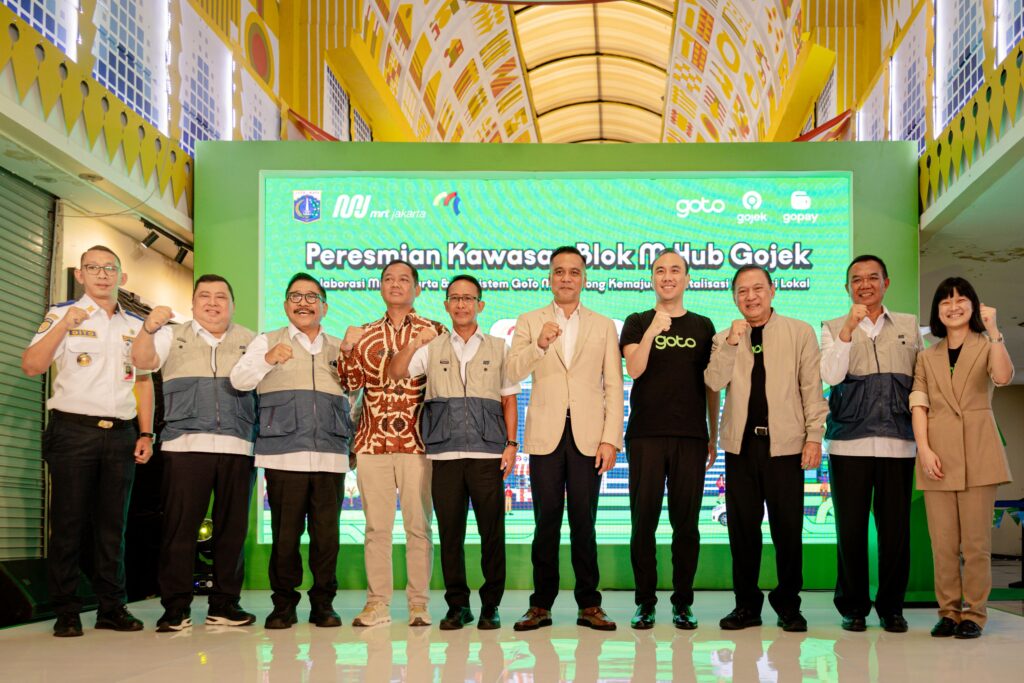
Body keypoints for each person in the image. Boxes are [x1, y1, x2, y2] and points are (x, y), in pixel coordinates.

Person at [21, 245, 154, 637]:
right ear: (80, 275)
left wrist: (146, 432)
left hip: (121, 433)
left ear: (122, 277)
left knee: (113, 527)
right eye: (93, 268)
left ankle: (112, 607)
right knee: (68, 524)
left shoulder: (135, 323)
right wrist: (64, 326)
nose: (102, 274)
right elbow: (32, 365)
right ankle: (66, 610)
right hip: (73, 431)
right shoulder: (62, 314)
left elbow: (144, 382)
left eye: (109, 268)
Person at [388, 274, 519, 630]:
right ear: (446, 305)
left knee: (492, 534)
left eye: (468, 298)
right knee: (450, 534)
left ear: (480, 305)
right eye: (455, 298)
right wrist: (414, 343)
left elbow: (509, 399)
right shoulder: (432, 348)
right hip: (444, 455)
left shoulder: (499, 347)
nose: (462, 304)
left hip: (487, 454)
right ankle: (458, 606)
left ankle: (490, 605)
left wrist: (511, 444)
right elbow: (396, 372)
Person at [506, 246, 623, 632]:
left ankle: (590, 605)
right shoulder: (529, 321)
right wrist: (539, 344)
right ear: (550, 278)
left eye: (574, 272)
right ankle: (540, 605)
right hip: (546, 435)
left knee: (584, 523)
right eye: (560, 271)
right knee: (546, 523)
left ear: (584, 278)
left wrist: (611, 439)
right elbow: (512, 371)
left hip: (590, 437)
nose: (567, 278)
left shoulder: (603, 325)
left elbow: (613, 383)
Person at [704, 265, 828, 633]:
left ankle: (789, 605)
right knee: (742, 531)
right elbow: (713, 381)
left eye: (758, 288)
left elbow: (811, 388)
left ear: (773, 291)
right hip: (740, 447)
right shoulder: (724, 337)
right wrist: (730, 343)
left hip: (786, 447)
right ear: (734, 298)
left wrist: (814, 436)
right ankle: (746, 605)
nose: (751, 297)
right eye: (742, 291)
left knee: (787, 530)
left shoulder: (799, 332)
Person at [131, 274, 258, 632]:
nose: (212, 303)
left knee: (232, 531)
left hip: (238, 447)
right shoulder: (171, 335)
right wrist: (148, 328)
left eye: (221, 297)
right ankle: (175, 608)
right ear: (193, 303)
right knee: (179, 530)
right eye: (205, 296)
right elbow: (141, 361)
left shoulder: (252, 340)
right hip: (184, 446)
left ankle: (225, 605)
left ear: (232, 304)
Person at [230, 273, 352, 629]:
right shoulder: (266, 342)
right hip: (283, 455)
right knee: (285, 536)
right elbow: (239, 380)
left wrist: (352, 442)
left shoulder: (339, 349)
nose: (303, 303)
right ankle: (283, 604)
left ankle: (323, 605)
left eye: (312, 297)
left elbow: (355, 400)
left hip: (330, 455)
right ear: (285, 305)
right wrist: (268, 359)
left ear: (324, 307)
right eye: (296, 296)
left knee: (327, 538)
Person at [338, 260, 446, 628]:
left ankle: (419, 604)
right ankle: (377, 604)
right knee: (376, 529)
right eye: (388, 279)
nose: (395, 284)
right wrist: (347, 349)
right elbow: (349, 383)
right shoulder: (364, 333)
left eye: (403, 279)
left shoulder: (436, 331)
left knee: (419, 527)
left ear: (418, 288)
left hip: (419, 443)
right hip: (372, 441)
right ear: (380, 286)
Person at [820, 254, 923, 633]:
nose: (865, 284)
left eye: (872, 277)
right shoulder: (832, 327)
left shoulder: (909, 326)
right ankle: (853, 607)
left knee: (895, 532)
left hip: (899, 444)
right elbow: (830, 374)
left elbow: (921, 381)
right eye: (857, 279)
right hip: (848, 445)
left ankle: (892, 608)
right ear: (847, 287)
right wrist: (848, 330)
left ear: (886, 282)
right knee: (850, 530)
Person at [619, 249, 717, 630]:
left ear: (687, 279)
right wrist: (652, 332)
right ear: (652, 279)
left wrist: (712, 433)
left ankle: (683, 603)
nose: (668, 276)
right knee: (643, 523)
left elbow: (711, 386)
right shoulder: (637, 321)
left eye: (675, 270)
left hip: (690, 437)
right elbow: (634, 369)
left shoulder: (703, 325)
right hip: (645, 436)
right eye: (660, 270)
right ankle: (645, 602)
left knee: (686, 524)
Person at [910, 277, 1014, 639]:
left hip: (979, 451)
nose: (953, 307)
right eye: (945, 302)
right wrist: (924, 449)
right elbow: (919, 404)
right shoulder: (927, 355)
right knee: (943, 544)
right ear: (937, 311)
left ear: (974, 305)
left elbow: (1003, 376)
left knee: (975, 544)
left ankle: (974, 614)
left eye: (960, 300)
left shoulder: (986, 345)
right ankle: (948, 613)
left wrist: (995, 331)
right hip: (937, 454)